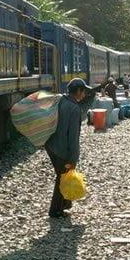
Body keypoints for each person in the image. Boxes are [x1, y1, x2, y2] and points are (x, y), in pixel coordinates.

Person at [45, 78, 88, 218]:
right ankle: (55, 210)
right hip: (62, 150)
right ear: (78, 91)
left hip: (51, 146)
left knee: (62, 175)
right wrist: (74, 158)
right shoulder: (75, 108)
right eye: (83, 92)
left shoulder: (60, 101)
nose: (84, 95)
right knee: (62, 178)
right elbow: (73, 137)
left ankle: (65, 204)